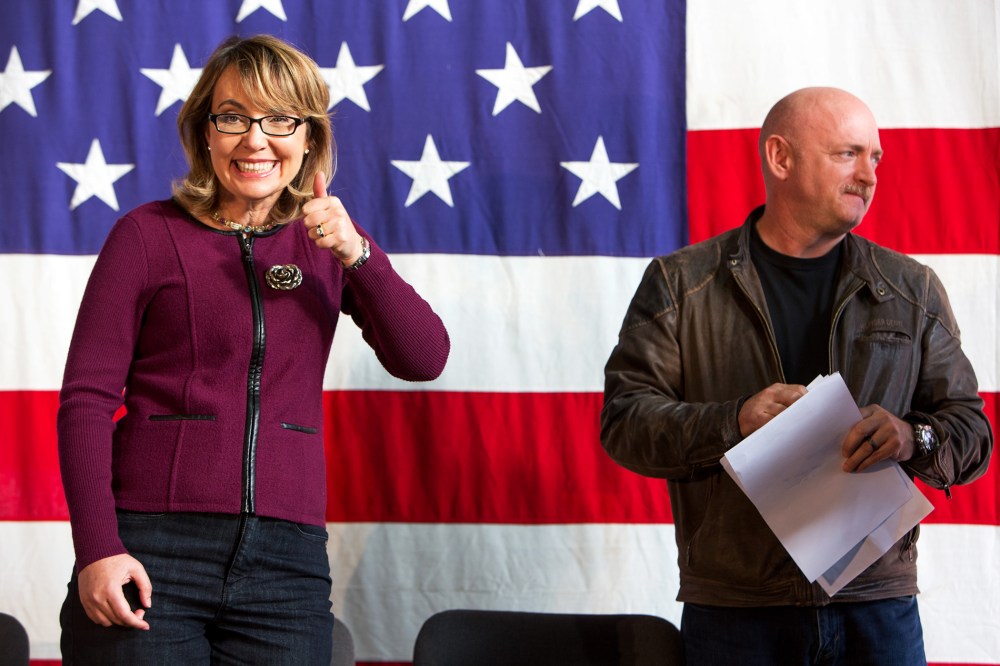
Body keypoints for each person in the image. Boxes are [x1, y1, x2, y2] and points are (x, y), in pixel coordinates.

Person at [57, 34, 450, 664]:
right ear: (205, 131)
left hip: (286, 564)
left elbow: (424, 357)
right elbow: (85, 400)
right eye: (234, 116)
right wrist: (98, 548)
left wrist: (357, 254)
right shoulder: (145, 235)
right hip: (153, 550)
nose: (255, 139)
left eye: (279, 119)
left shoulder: (328, 242)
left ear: (309, 137)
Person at [600, 87, 993, 664]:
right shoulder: (680, 285)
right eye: (847, 154)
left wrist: (913, 437)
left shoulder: (913, 289)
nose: (869, 174)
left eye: (875, 158)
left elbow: (971, 432)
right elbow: (625, 424)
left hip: (876, 610)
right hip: (735, 612)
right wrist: (733, 422)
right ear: (780, 158)